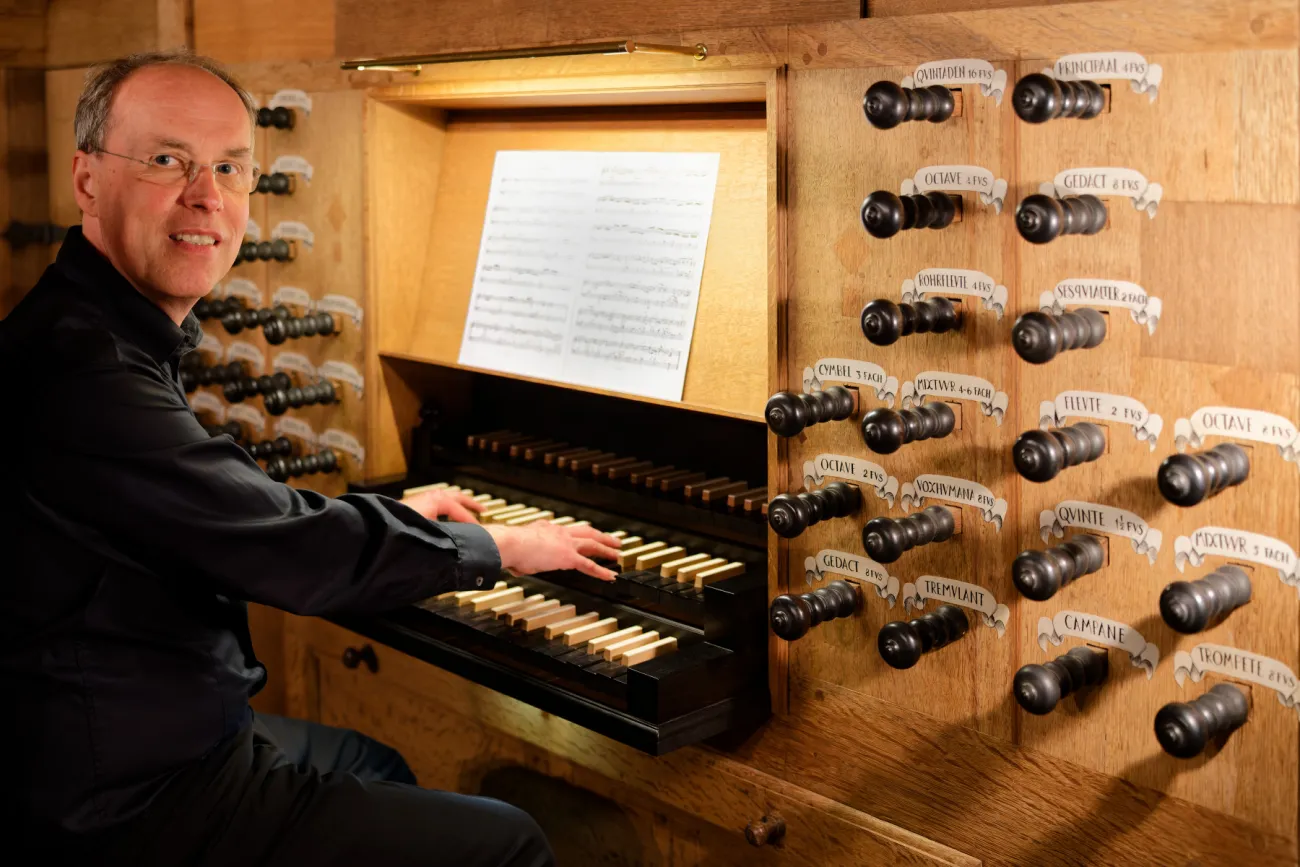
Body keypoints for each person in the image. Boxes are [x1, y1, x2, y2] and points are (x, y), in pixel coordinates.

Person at [0, 49, 623, 866]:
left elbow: (205, 502)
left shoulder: (83, 323)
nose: (206, 196)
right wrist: (496, 543)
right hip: (127, 799)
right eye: (167, 161)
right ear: (87, 179)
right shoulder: (86, 371)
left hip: (115, 736)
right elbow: (286, 547)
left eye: (230, 167)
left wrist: (389, 518)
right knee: (507, 843)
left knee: (374, 763)